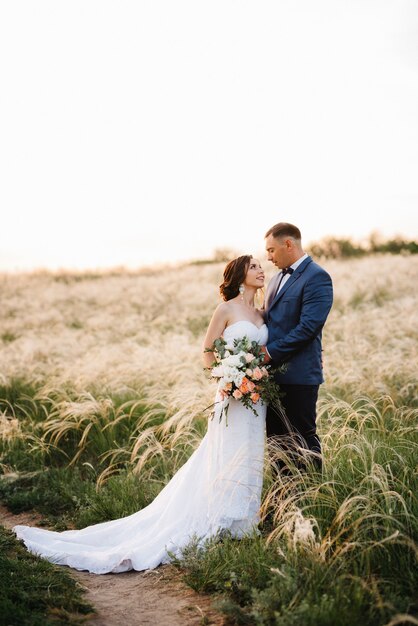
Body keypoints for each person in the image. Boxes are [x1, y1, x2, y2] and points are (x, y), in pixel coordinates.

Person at [13, 256, 268, 574]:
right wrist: (228, 376)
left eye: (261, 265)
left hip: (257, 399)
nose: (260, 270)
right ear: (240, 275)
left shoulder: (261, 312)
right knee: (226, 452)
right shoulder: (227, 309)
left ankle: (242, 525)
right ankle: (218, 519)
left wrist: (252, 374)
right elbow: (207, 352)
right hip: (231, 396)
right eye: (254, 266)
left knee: (249, 453)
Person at [261, 222, 333, 472]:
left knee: (303, 439)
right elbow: (269, 321)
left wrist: (269, 353)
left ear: (288, 244)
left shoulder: (317, 277)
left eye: (271, 250)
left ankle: (314, 496)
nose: (268, 257)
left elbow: (308, 327)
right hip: (269, 376)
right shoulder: (275, 280)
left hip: (300, 374)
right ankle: (283, 501)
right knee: (276, 442)